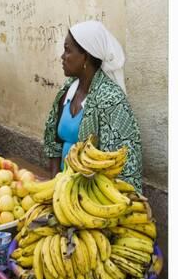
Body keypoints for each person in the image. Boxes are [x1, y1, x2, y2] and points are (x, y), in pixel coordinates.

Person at [43, 20, 143, 192]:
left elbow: (120, 168)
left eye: (68, 50)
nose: (62, 57)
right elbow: (55, 142)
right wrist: (54, 184)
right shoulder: (67, 90)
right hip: (63, 190)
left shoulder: (111, 100)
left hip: (95, 196)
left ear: (85, 57)